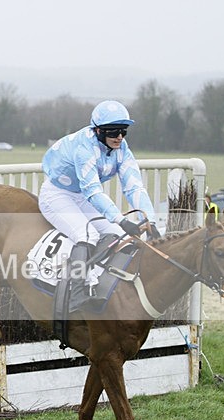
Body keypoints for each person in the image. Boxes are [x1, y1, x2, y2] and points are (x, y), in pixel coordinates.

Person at [39, 100, 160, 311]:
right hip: (57, 195)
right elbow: (93, 191)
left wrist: (149, 219)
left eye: (123, 131)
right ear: (97, 130)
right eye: (113, 132)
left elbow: (134, 188)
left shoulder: (122, 149)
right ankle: (75, 296)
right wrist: (122, 220)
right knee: (87, 235)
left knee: (115, 234)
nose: (119, 137)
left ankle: (96, 282)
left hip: (81, 196)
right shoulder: (84, 148)